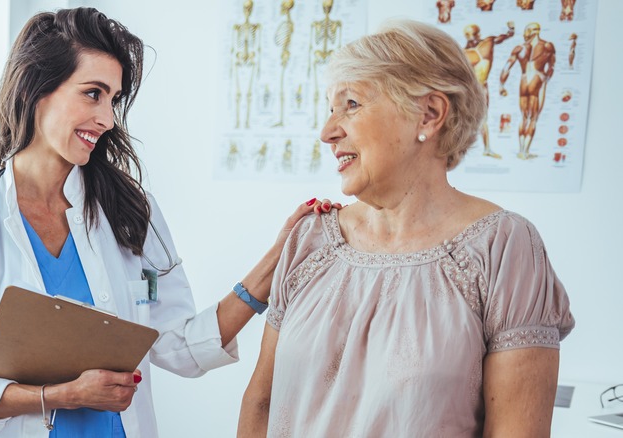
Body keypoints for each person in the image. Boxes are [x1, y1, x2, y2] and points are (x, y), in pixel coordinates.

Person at [0, 7, 336, 438]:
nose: (108, 118)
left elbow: (179, 346)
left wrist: (274, 262)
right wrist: (64, 395)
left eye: (113, 99)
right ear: (37, 88)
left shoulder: (131, 210)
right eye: (93, 93)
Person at [238, 19, 574, 437]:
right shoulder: (310, 239)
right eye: (330, 108)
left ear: (430, 114)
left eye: (352, 105)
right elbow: (261, 404)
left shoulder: (504, 249)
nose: (327, 132)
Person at [500, 22, 556, 160]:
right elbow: (551, 67)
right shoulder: (547, 46)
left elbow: (506, 68)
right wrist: (545, 80)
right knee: (533, 118)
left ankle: (521, 150)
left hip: (524, 80)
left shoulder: (519, 48)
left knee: (524, 117)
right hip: (537, 78)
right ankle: (525, 151)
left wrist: (502, 85)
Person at [463, 22, 515, 159]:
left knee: (482, 119)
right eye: (468, 35)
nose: (471, 37)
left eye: (472, 34)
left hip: (480, 87)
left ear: (478, 34)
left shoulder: (487, 43)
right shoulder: (463, 52)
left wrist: (511, 29)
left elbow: (505, 37)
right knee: (471, 119)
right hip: (471, 89)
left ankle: (486, 148)